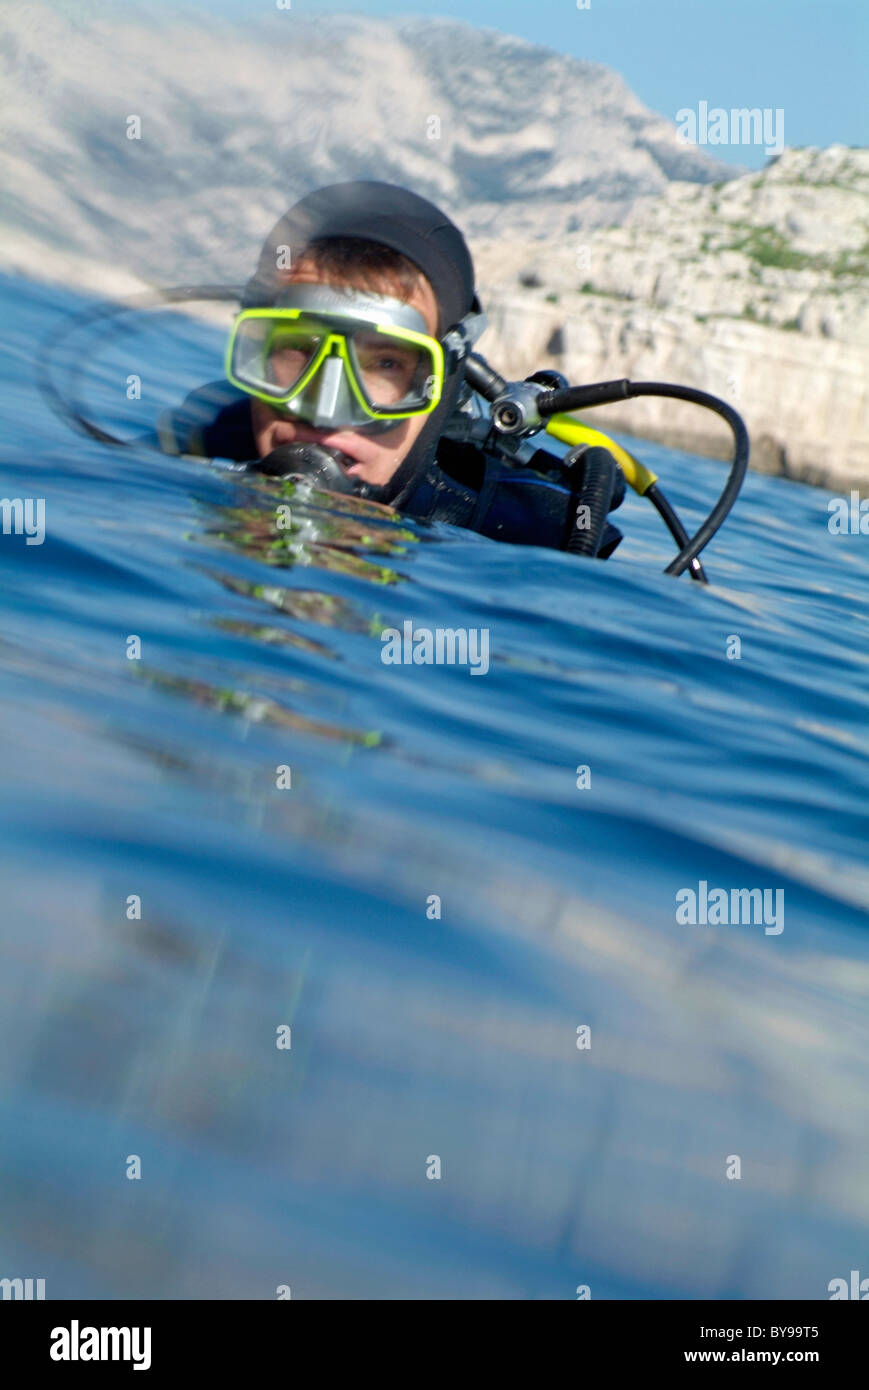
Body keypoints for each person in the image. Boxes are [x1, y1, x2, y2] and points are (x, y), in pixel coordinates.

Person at [158, 181, 624, 557]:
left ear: (439, 386)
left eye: (384, 364)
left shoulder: (526, 533)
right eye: (300, 349)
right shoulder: (196, 444)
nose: (326, 411)